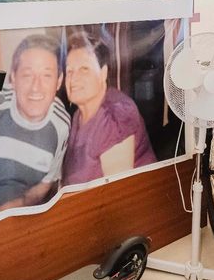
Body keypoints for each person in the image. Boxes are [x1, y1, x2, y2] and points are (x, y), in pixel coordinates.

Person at [62, 33, 156, 186]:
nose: (73, 78)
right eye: (70, 71)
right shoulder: (78, 114)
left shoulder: (116, 116)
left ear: (103, 73)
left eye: (84, 69)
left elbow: (116, 192)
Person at [0, 34, 70, 211]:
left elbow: (44, 185)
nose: (36, 87)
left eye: (46, 76)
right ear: (13, 78)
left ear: (59, 81)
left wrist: (12, 208)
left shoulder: (62, 125)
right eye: (27, 75)